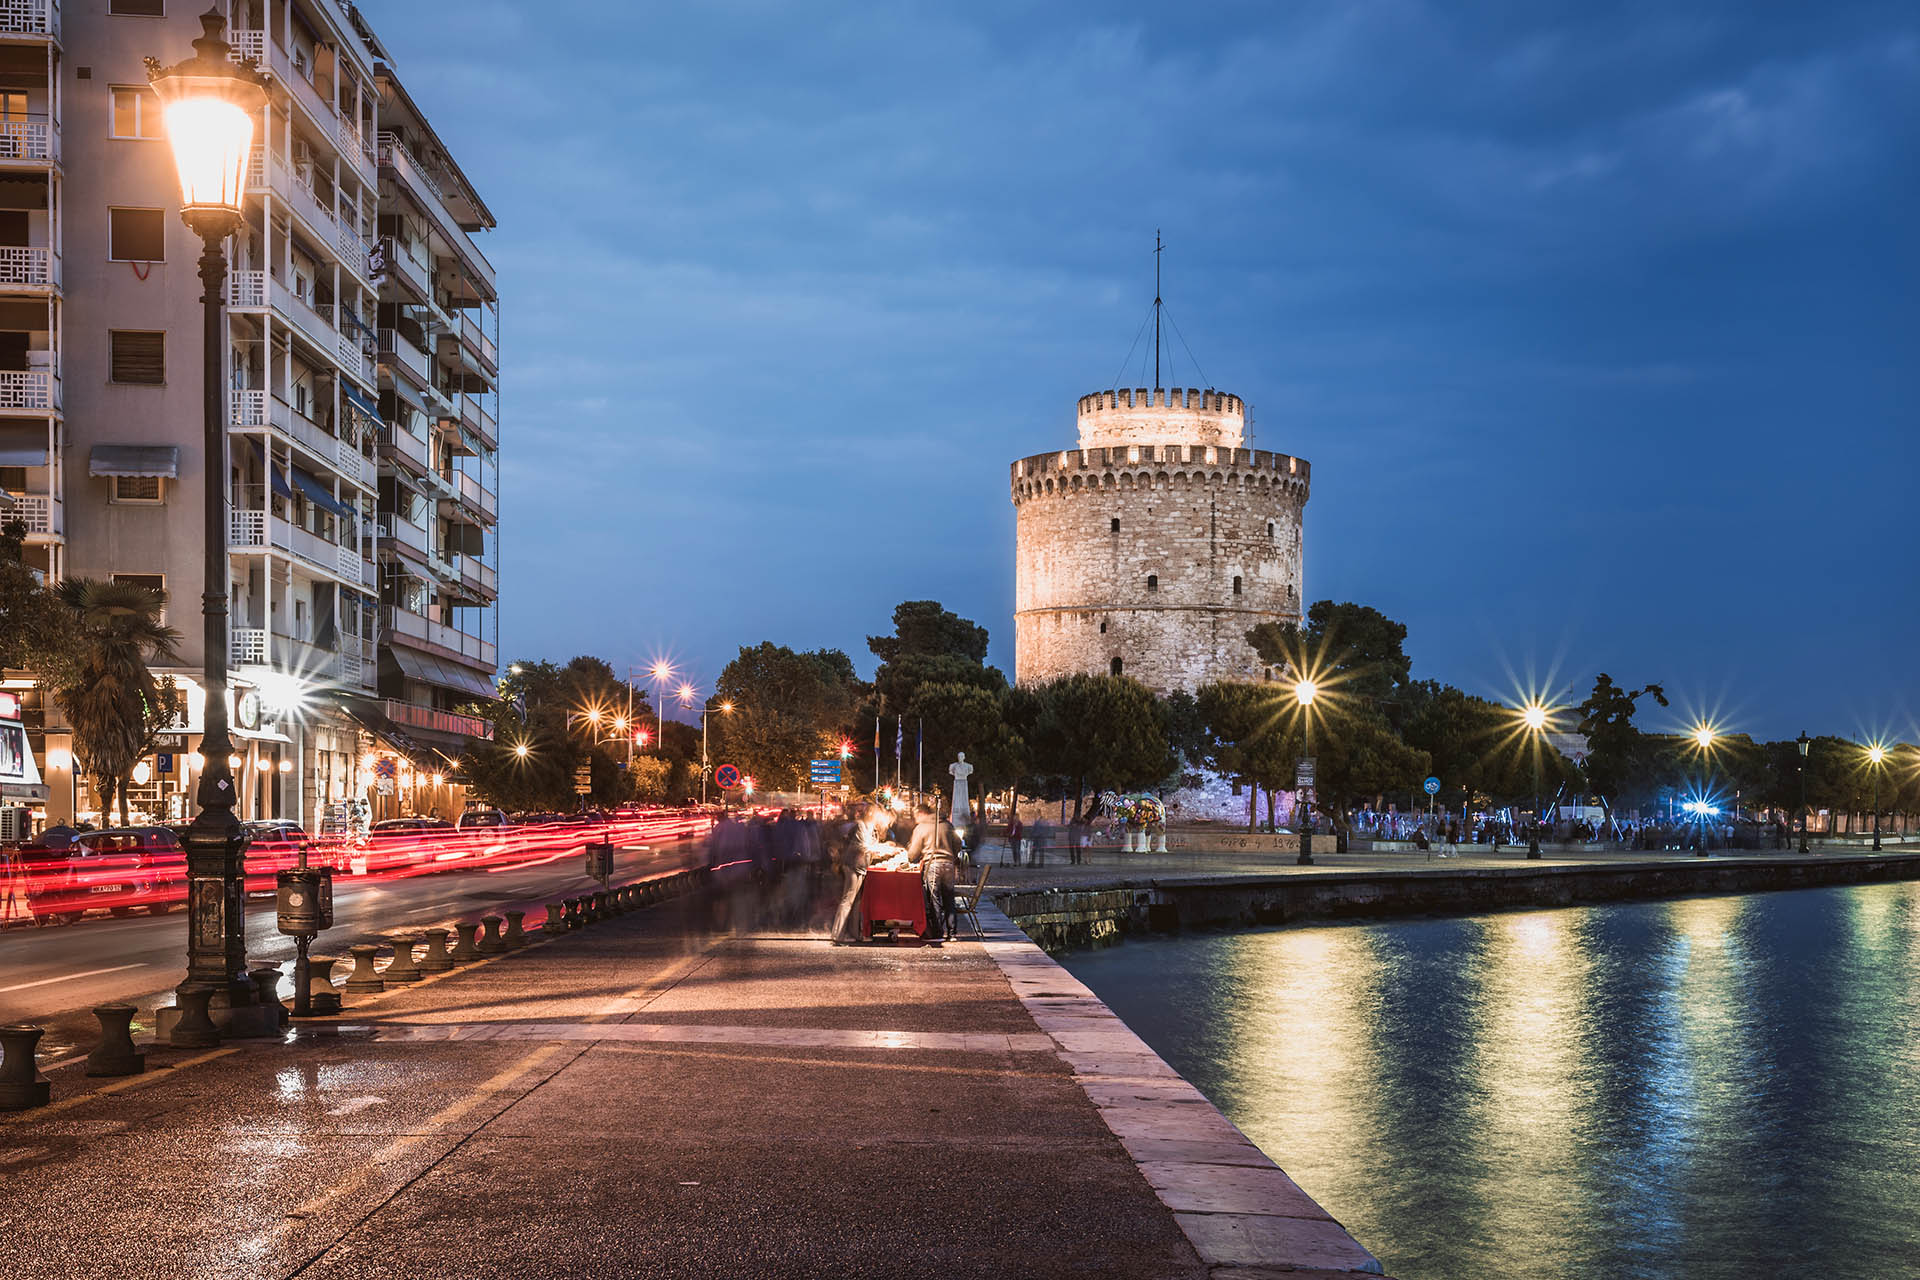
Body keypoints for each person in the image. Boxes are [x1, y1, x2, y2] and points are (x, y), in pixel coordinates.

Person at [906, 802, 959, 940]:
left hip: (933, 864)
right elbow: (958, 843)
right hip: (948, 864)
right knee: (949, 898)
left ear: (921, 813)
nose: (915, 819)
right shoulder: (948, 825)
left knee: (934, 899)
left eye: (915, 816)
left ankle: (937, 931)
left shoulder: (921, 827)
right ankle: (952, 933)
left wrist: (910, 856)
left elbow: (913, 853)